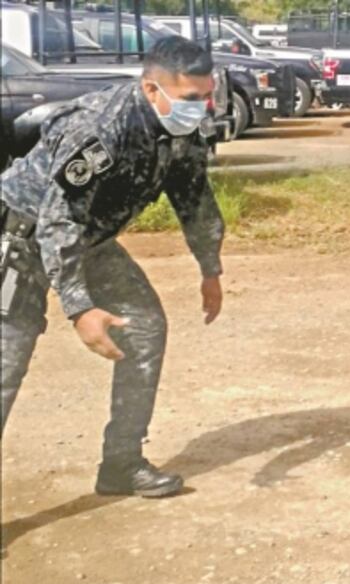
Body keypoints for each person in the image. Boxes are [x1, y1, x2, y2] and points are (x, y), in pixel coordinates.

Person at [0, 36, 225, 498]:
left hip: (87, 242)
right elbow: (56, 220)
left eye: (207, 96)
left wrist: (210, 268)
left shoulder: (182, 129)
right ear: (151, 90)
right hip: (19, 238)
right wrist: (80, 308)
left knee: (143, 327)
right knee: (6, 365)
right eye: (190, 99)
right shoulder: (100, 130)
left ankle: (121, 464)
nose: (201, 107)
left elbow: (194, 198)